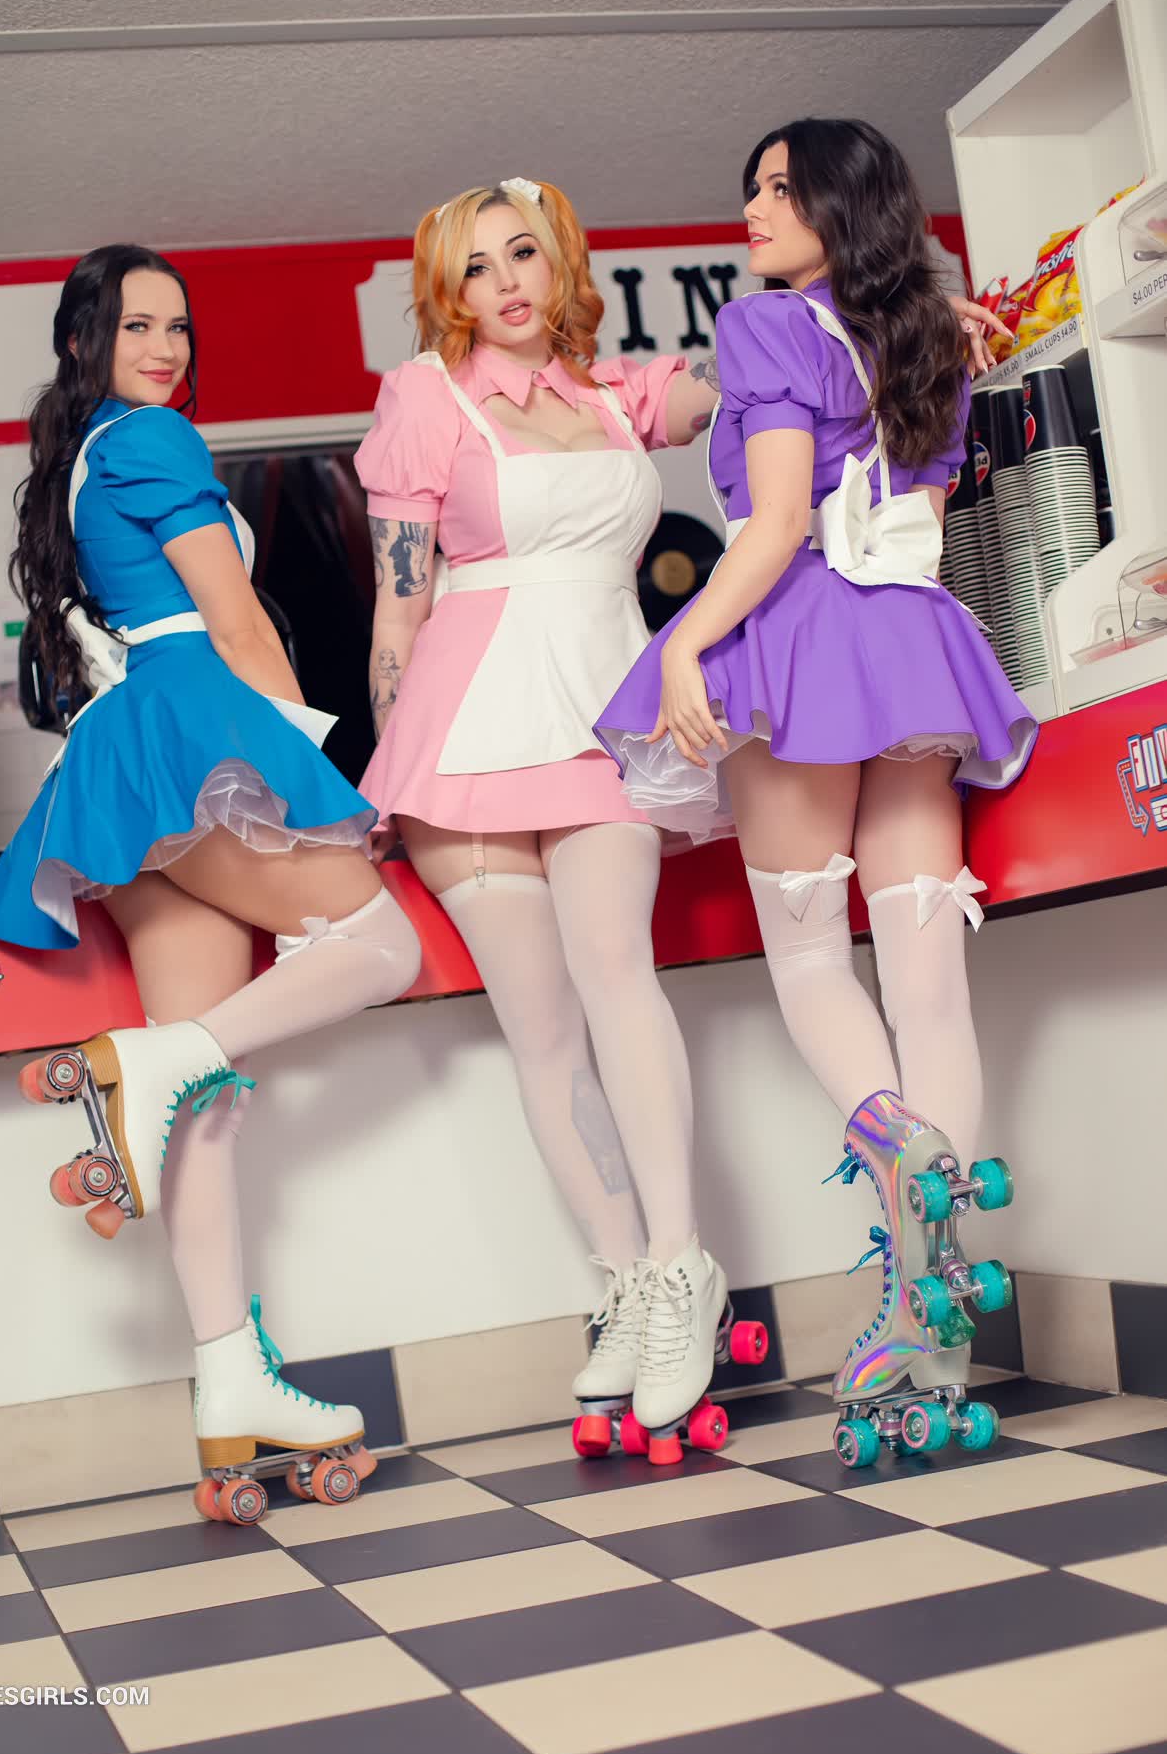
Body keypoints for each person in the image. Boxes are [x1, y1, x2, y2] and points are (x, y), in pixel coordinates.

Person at [595, 121, 1034, 1465]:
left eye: (781, 188)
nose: (751, 207)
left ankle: (893, 1147)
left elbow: (778, 521)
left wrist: (684, 643)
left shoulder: (767, 326)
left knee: (805, 959)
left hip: (798, 636)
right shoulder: (934, 338)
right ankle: (924, 1312)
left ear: (843, 206)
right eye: (749, 187)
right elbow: (920, 511)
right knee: (928, 984)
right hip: (915, 642)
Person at [0, 244, 422, 1516]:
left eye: (177, 327)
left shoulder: (81, 461)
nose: (165, 348)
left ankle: (231, 1384)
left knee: (205, 1101)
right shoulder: (154, 441)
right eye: (137, 326)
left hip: (127, 759)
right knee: (381, 945)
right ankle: (149, 1067)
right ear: (84, 342)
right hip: (191, 726)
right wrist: (321, 775)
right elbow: (235, 620)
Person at [356, 177, 754, 1458]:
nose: (505, 284)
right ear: (450, 293)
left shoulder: (621, 395)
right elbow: (399, 606)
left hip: (602, 716)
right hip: (462, 731)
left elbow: (753, 380)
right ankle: (626, 1279)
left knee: (615, 975)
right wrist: (390, 752)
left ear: (561, 262)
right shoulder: (427, 397)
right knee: (539, 1033)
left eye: (522, 253)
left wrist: (873, 318)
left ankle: (682, 1266)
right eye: (475, 269)